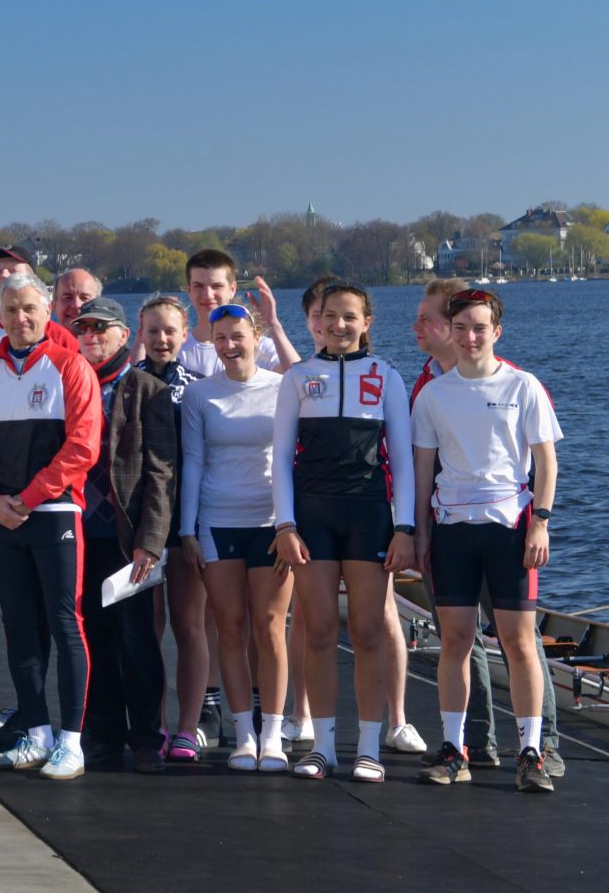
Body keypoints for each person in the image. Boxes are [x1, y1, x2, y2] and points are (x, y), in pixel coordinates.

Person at [409, 288, 561, 792]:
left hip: (510, 528)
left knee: (519, 643)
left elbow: (546, 460)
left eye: (479, 328)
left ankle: (532, 753)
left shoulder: (523, 386)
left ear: (496, 332)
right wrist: (419, 536)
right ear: (450, 332)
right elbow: (423, 468)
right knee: (454, 642)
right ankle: (456, 749)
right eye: (461, 328)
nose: (469, 337)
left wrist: (540, 520)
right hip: (452, 531)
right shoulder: (433, 394)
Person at [0, 271, 101, 781]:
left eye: (29, 309)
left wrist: (28, 497)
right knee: (19, 627)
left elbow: (83, 446)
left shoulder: (71, 367)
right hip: (5, 518)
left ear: (46, 314)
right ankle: (36, 732)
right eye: (11, 309)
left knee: (66, 625)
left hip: (55, 513)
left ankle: (71, 741)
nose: (21, 318)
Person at [270, 279, 412, 782]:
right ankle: (323, 746)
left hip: (369, 514)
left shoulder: (386, 376)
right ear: (317, 320)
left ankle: (369, 746)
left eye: (350, 317)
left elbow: (405, 461)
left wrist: (406, 527)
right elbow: (281, 460)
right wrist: (284, 524)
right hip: (312, 518)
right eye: (330, 316)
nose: (339, 325)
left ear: (366, 323)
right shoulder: (298, 378)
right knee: (321, 630)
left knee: (369, 630)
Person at [181, 303, 294, 772]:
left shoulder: (282, 387)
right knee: (230, 627)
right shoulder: (199, 395)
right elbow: (193, 462)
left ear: (256, 337)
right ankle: (243, 733)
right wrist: (187, 528)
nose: (230, 346)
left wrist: (290, 525)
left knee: (269, 628)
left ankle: (273, 735)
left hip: (270, 523)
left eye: (238, 336)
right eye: (221, 338)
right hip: (217, 520)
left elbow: (290, 460)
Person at [69, 298, 177, 773]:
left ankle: (147, 737)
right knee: (91, 637)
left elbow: (161, 473)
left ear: (120, 335)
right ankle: (101, 734)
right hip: (76, 533)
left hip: (127, 535)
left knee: (136, 640)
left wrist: (150, 542)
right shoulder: (67, 383)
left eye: (100, 328)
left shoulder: (146, 389)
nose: (90, 335)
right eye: (82, 328)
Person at [133, 295, 217, 761]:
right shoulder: (127, 385)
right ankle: (152, 725)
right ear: (139, 333)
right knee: (147, 627)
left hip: (188, 521)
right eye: (153, 331)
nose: (162, 339)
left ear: (186, 335)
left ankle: (188, 727)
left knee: (190, 625)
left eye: (170, 331)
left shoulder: (200, 390)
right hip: (140, 526)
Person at [179, 249, 296, 376]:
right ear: (189, 290)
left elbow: (300, 381)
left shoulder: (259, 347)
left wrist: (273, 324)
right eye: (199, 286)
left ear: (232, 289)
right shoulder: (178, 351)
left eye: (217, 286)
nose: (208, 295)